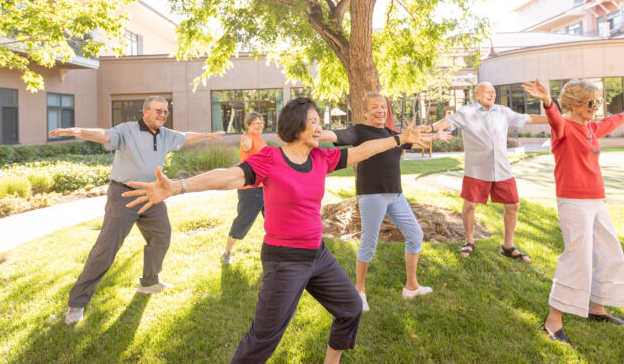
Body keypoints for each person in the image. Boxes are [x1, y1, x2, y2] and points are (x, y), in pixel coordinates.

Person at [124, 97, 431, 364]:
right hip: (284, 260)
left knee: (351, 307)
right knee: (264, 337)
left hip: (318, 255)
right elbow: (230, 177)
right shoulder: (271, 159)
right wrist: (178, 186)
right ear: (295, 125)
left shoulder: (321, 157)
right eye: (312, 121)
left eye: (319, 121)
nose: (319, 127)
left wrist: (398, 139)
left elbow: (362, 151)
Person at [49, 96, 224, 324]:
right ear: (145, 112)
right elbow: (104, 134)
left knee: (161, 237)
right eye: (158, 111)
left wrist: (206, 135)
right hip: (123, 194)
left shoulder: (165, 134)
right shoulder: (127, 130)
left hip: (152, 194)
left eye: (165, 112)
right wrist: (77, 130)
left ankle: (150, 282)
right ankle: (77, 303)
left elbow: (185, 136)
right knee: (106, 249)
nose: (162, 115)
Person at [522, 78, 624, 346]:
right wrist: (548, 102)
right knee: (577, 258)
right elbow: (554, 119)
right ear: (573, 103)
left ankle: (597, 308)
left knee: (610, 251)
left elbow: (610, 122)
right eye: (591, 103)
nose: (596, 107)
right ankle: (553, 320)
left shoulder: (591, 127)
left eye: (598, 102)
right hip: (573, 201)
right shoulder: (564, 129)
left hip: (596, 200)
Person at [319, 92, 432, 312]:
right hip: (372, 195)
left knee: (416, 235)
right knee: (369, 243)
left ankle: (411, 287)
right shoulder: (360, 131)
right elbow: (336, 135)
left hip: (395, 195)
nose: (380, 111)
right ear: (365, 111)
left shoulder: (391, 133)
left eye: (383, 107)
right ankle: (359, 291)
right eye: (375, 108)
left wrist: (433, 135)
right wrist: (315, 132)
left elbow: (413, 141)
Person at [430, 82, 546, 261]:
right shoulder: (467, 112)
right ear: (477, 94)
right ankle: (469, 241)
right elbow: (447, 122)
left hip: (502, 168)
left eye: (493, 92)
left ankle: (508, 246)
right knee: (470, 205)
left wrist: (555, 117)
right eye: (487, 92)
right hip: (476, 169)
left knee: (513, 205)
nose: (492, 95)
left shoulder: (503, 112)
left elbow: (527, 118)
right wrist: (430, 129)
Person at [221, 111, 267, 265]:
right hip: (250, 190)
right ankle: (227, 252)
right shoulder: (249, 139)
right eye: (256, 123)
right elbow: (247, 145)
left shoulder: (260, 139)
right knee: (243, 221)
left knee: (275, 219)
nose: (260, 125)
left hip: (264, 188)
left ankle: (281, 250)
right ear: (248, 126)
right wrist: (245, 141)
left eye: (261, 122)